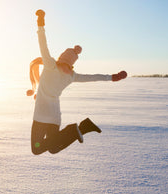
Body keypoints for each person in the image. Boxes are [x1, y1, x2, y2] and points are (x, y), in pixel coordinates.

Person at [27, 10, 127, 155]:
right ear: (72, 63)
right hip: (54, 118)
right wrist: (112, 77)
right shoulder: (71, 76)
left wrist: (40, 22)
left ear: (61, 57)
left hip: (40, 116)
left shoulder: (50, 65)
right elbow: (93, 77)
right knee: (54, 147)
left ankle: (73, 130)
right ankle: (83, 128)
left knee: (37, 149)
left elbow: (43, 43)